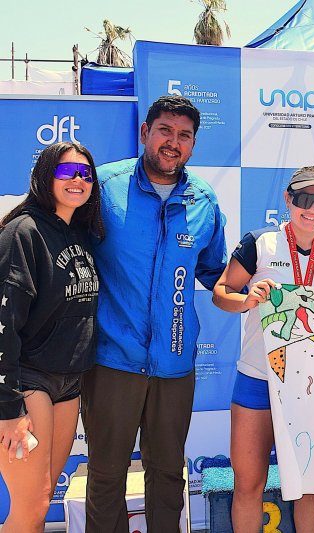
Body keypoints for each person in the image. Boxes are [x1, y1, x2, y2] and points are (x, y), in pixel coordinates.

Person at [81, 95, 228, 533]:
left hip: (175, 364)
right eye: (165, 130)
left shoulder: (204, 199)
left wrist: (262, 283)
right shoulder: (104, 186)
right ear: (145, 133)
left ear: (194, 144)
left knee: (167, 476)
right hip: (112, 360)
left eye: (184, 136)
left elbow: (215, 272)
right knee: (106, 476)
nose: (173, 142)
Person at [212, 167, 314, 533]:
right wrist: (246, 300)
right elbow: (222, 292)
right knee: (249, 484)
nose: (312, 209)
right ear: (288, 199)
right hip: (258, 378)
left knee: (308, 489)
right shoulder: (260, 243)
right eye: (304, 199)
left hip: (311, 388)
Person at [0, 142, 102, 531]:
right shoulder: (23, 232)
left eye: (85, 173)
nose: (77, 179)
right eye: (66, 172)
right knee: (30, 506)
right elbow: (3, 322)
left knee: (42, 502)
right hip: (28, 382)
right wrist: (9, 410)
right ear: (45, 177)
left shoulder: (79, 233)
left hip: (68, 384)